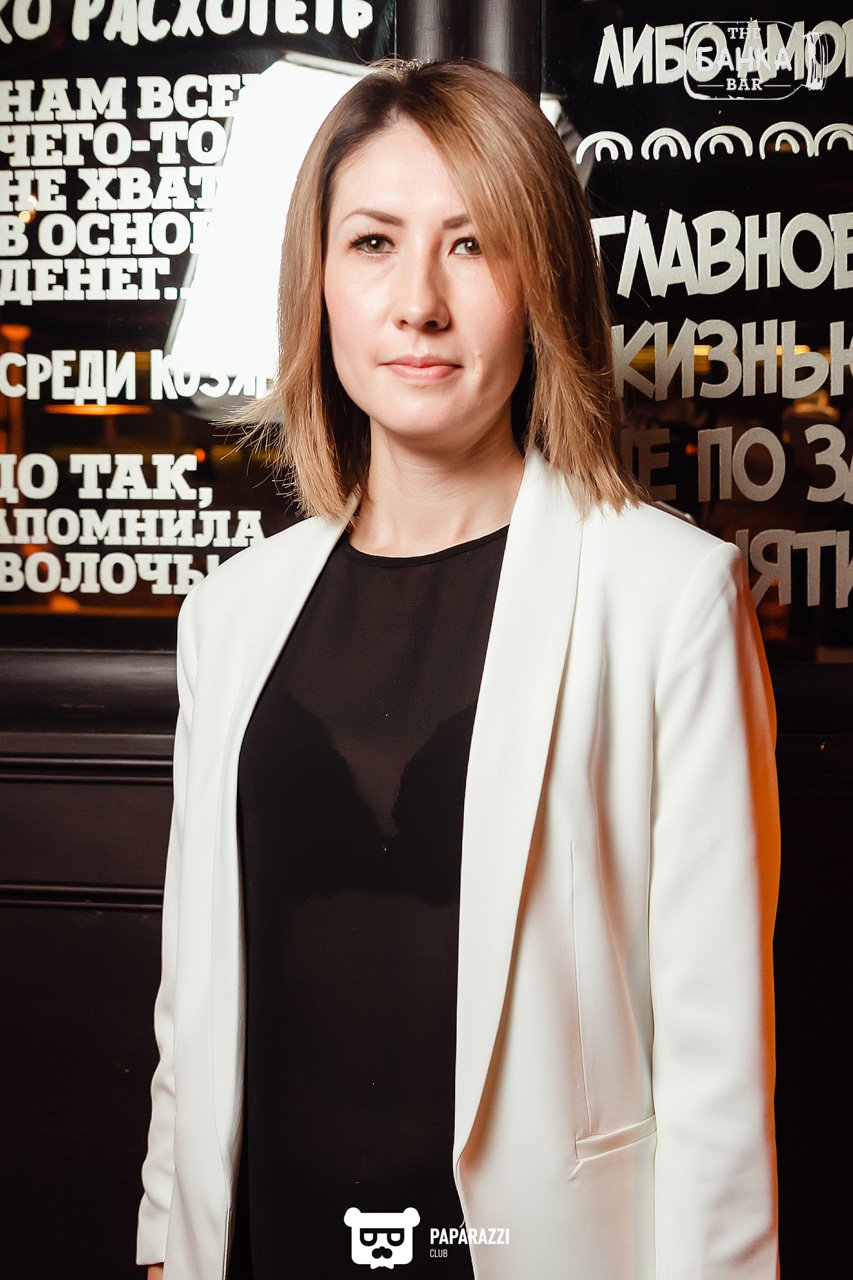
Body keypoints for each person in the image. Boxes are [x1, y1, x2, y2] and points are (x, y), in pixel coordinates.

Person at [136, 58, 780, 1280]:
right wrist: (168, 1236)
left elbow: (717, 1065)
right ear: (318, 282)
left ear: (542, 285)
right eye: (373, 242)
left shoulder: (667, 595)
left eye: (472, 245)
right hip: (270, 1243)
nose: (418, 303)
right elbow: (196, 991)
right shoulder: (232, 613)